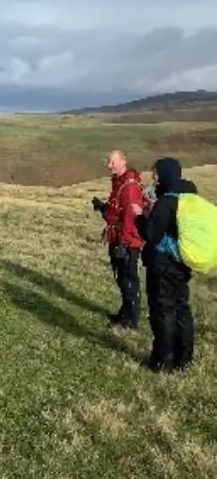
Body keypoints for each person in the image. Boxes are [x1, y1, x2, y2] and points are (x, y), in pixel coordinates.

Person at [137, 157, 196, 372]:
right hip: (182, 263)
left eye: (156, 173)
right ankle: (185, 359)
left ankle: (163, 361)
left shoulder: (167, 201)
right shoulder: (187, 197)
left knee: (163, 311)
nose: (153, 177)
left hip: (162, 264)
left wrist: (140, 217)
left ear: (164, 174)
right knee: (181, 309)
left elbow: (152, 234)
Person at [91, 150, 146, 329]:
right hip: (119, 239)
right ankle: (125, 313)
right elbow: (117, 212)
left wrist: (123, 244)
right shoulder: (119, 183)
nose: (109, 166)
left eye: (113, 162)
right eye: (109, 162)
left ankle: (130, 321)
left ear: (123, 161)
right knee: (122, 278)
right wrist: (103, 208)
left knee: (128, 279)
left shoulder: (129, 186)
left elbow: (130, 219)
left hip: (127, 242)